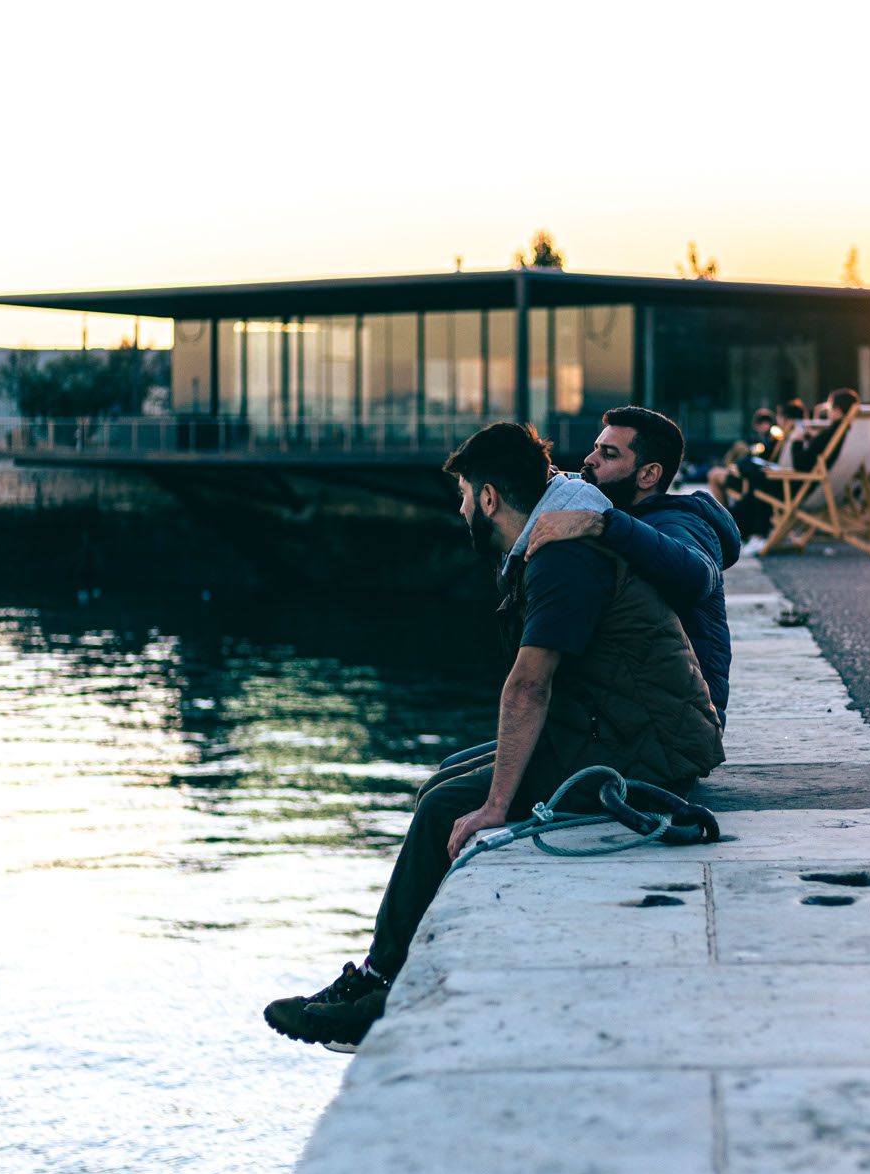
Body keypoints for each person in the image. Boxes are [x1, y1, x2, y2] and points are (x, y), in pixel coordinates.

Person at [262, 423, 723, 1052]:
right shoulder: (550, 540)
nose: (457, 509)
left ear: (487, 498)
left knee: (442, 809)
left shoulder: (561, 557)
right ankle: (392, 971)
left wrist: (497, 806)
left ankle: (377, 988)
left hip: (641, 751)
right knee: (447, 775)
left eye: (462, 495)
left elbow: (528, 686)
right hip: (617, 728)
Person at [530, 406, 740, 728]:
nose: (590, 459)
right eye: (596, 448)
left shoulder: (678, 520)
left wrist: (601, 524)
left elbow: (698, 574)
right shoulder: (632, 517)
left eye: (609, 454)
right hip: (639, 714)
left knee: (472, 778)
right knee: (458, 767)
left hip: (676, 728)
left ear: (647, 475)